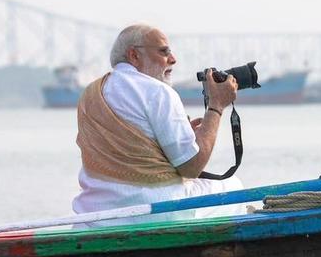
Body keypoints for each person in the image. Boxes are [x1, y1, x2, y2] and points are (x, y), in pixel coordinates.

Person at [72, 23, 243, 225]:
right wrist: (216, 106)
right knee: (233, 187)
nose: (173, 59)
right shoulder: (159, 92)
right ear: (134, 55)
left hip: (96, 215)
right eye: (164, 51)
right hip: (156, 212)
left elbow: (130, 147)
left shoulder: (91, 92)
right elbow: (191, 168)